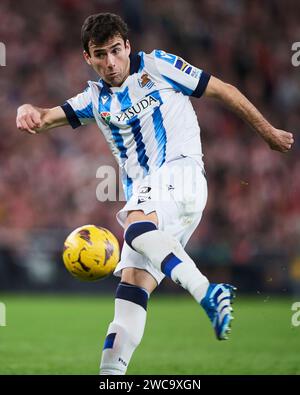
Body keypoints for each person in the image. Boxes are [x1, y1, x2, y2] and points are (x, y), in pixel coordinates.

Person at [16, 13, 294, 375]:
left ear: (128, 46)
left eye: (116, 50)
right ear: (88, 57)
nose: (111, 62)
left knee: (134, 227)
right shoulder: (93, 99)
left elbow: (223, 90)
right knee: (131, 291)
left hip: (181, 173)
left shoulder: (158, 66)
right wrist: (26, 110)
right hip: (160, 201)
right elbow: (43, 117)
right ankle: (111, 378)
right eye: (100, 54)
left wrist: (268, 132)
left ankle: (207, 291)